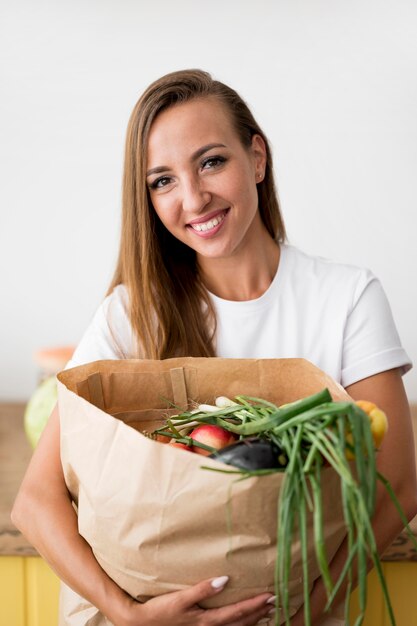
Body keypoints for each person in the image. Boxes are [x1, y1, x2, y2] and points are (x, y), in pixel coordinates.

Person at [12, 69, 417, 626]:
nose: (194, 197)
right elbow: (35, 503)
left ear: (256, 158)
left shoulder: (346, 298)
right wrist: (128, 615)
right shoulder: (133, 316)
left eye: (210, 162)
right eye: (162, 181)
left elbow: (397, 483)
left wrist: (299, 616)